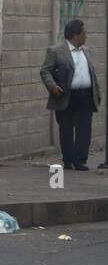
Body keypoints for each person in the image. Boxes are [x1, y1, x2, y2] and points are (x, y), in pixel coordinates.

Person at [39, 19, 101, 172]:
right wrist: (52, 86)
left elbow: (92, 73)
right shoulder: (55, 50)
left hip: (86, 96)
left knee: (84, 129)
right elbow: (45, 71)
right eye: (84, 33)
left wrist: (97, 92)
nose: (86, 36)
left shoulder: (86, 50)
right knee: (66, 129)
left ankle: (80, 160)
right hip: (66, 96)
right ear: (75, 35)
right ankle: (68, 159)